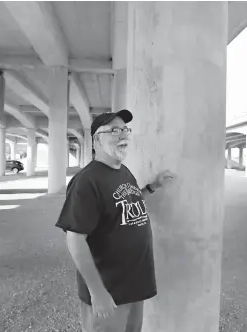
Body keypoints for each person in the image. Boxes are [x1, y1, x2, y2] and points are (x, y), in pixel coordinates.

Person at [55, 109, 174, 332]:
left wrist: (152, 187)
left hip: (134, 285)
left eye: (125, 130)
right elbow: (75, 239)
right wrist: (97, 292)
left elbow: (126, 202)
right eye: (114, 130)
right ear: (96, 140)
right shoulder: (86, 181)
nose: (123, 135)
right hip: (109, 290)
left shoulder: (123, 171)